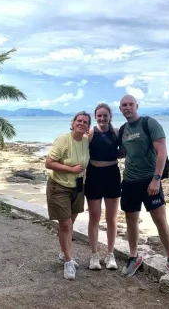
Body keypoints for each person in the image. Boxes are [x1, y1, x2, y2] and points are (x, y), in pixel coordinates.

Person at [117, 95, 169, 278]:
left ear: (136, 106)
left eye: (130, 104)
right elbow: (122, 152)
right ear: (120, 108)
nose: (127, 107)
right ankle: (133, 257)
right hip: (129, 181)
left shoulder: (149, 123)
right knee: (131, 220)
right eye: (124, 105)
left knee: (160, 220)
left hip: (149, 180)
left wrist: (156, 179)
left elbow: (162, 151)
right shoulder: (123, 129)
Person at [44, 111, 91, 280]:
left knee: (70, 223)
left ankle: (64, 253)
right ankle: (69, 261)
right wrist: (71, 169)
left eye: (85, 122)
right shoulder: (63, 140)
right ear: (73, 122)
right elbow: (48, 163)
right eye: (79, 120)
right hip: (59, 187)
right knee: (65, 225)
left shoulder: (86, 141)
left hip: (78, 187)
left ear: (88, 126)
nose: (81, 124)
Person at [84, 103, 121, 270]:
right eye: (99, 115)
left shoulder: (117, 132)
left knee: (112, 219)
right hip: (94, 176)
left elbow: (124, 151)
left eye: (105, 115)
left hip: (112, 175)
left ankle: (110, 254)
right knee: (94, 218)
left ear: (110, 116)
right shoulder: (91, 133)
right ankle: (94, 255)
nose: (102, 118)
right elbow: (80, 149)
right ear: (95, 116)